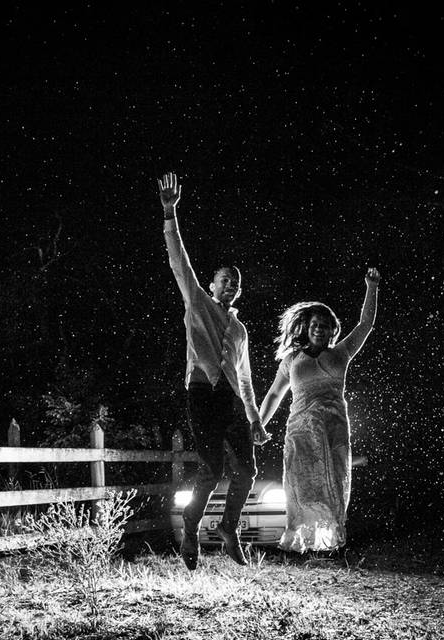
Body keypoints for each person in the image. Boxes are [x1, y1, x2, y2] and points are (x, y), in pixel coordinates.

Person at [158, 172, 271, 570]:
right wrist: (171, 214)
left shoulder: (240, 329)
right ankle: (190, 531)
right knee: (212, 467)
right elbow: (180, 262)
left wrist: (255, 421)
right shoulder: (198, 303)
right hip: (203, 392)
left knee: (249, 468)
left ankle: (229, 528)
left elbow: (246, 380)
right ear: (212, 283)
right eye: (225, 280)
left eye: (236, 283)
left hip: (232, 401)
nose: (231, 286)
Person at [258, 268, 380, 553]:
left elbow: (365, 325)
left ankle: (330, 543)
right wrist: (258, 424)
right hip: (300, 428)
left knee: (332, 481)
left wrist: (371, 287)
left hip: (333, 426)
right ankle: (302, 542)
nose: (319, 329)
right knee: (301, 485)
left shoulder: (342, 353)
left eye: (325, 325)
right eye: (315, 324)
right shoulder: (292, 360)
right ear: (306, 327)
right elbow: (275, 393)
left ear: (331, 330)